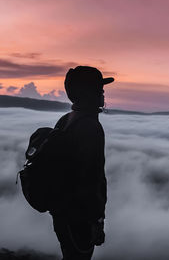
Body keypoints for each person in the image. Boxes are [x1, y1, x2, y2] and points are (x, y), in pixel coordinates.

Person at [49, 66, 114, 260]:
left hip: (61, 211)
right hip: (78, 216)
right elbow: (90, 179)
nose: (102, 93)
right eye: (99, 89)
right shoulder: (90, 127)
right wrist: (96, 221)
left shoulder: (66, 119)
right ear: (89, 93)